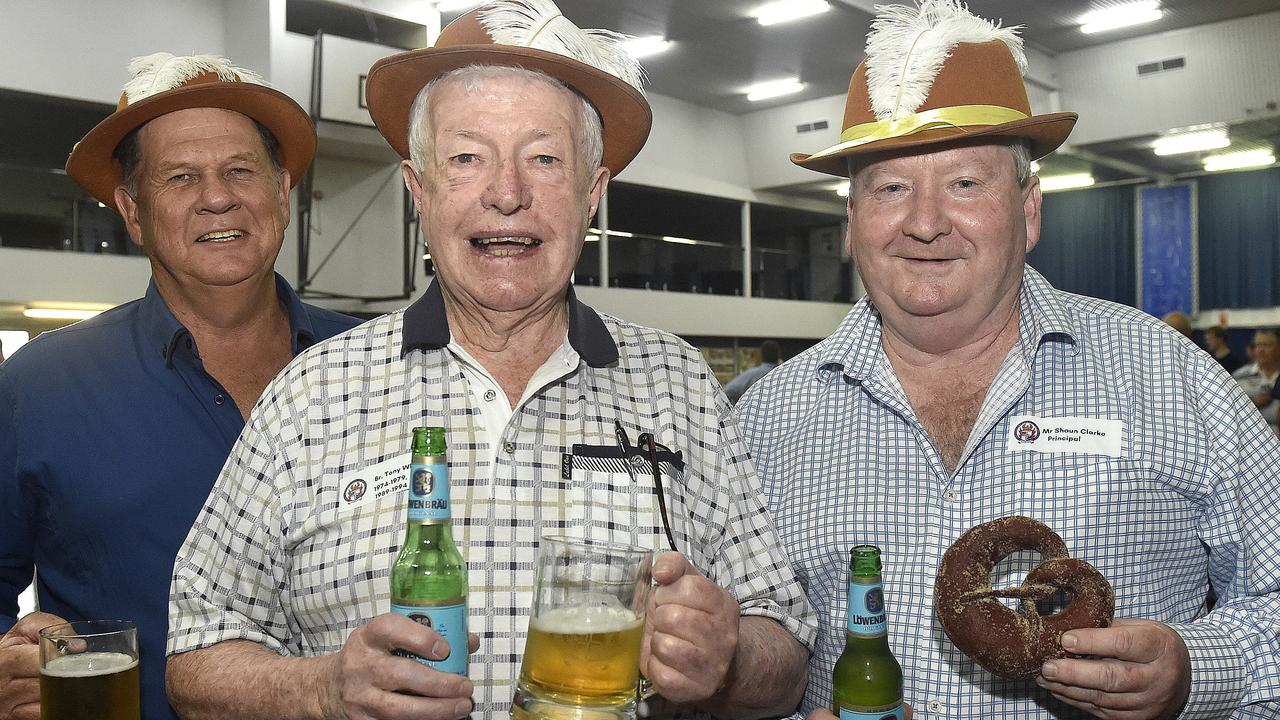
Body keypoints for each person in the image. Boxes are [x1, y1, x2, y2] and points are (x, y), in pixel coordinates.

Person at [164, 3, 817, 719]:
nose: (507, 193)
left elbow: (784, 648)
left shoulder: (678, 384)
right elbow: (197, 652)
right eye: (467, 158)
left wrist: (727, 657)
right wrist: (317, 689)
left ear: (591, 194)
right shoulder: (311, 393)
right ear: (420, 191)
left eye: (544, 159)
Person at [737, 1, 1280, 718]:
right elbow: (746, 650)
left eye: (964, 182)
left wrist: (1193, 670)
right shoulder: (766, 421)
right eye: (890, 187)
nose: (924, 221)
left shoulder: (1171, 378)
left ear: (1029, 211)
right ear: (850, 223)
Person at [0, 53, 359, 720]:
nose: (217, 197)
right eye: (182, 177)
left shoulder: (379, 364)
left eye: (241, 171)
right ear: (133, 213)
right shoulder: (40, 387)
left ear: (282, 191)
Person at [1232, 328, 1280, 431]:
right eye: (1258, 345)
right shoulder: (1239, 376)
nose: (1261, 350)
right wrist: (1252, 404)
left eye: (1267, 345)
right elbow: (1228, 412)